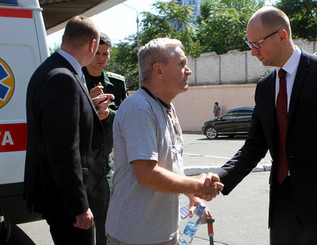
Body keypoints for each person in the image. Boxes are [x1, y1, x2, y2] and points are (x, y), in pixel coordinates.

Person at [215, 6, 317, 245]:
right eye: (249, 45)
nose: (253, 52)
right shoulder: (264, 88)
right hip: (282, 205)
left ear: (282, 36)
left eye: (257, 44)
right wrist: (218, 178)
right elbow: (253, 147)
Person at [105, 38, 223, 245]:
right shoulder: (140, 108)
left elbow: (170, 166)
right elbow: (148, 175)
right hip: (135, 236)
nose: (188, 71)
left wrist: (193, 196)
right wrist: (197, 185)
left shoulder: (166, 107)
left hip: (163, 233)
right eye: (181, 64)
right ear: (158, 71)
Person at [24, 16, 113, 245]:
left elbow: (61, 127)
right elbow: (63, 150)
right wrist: (80, 206)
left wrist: (89, 110)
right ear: (93, 45)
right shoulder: (63, 78)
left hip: (61, 197)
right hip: (69, 203)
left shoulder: (49, 70)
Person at [82, 32, 127, 245]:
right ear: (90, 51)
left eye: (106, 53)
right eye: (98, 53)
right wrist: (89, 104)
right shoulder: (76, 78)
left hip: (105, 162)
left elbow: (125, 118)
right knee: (81, 223)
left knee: (107, 221)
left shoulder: (117, 83)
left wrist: (107, 113)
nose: (101, 58)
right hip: (81, 161)